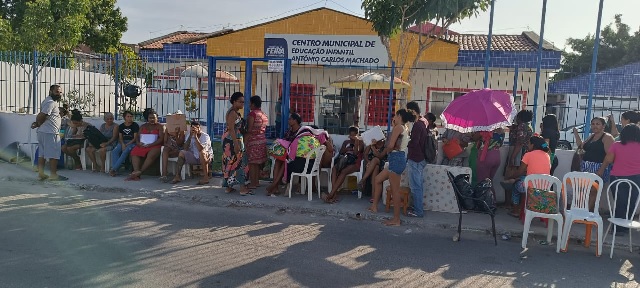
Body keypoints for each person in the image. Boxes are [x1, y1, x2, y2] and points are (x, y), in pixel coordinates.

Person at [367, 109, 414, 226]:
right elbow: (392, 145)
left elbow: (391, 145)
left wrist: (385, 147)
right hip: (397, 158)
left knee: (395, 191)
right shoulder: (404, 127)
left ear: (399, 116)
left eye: (395, 116)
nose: (393, 117)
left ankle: (396, 219)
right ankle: (374, 206)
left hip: (396, 159)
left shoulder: (398, 128)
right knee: (378, 180)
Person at [597, 124, 640, 235]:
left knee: (620, 202)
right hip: (636, 178)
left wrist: (601, 170)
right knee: (632, 203)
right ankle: (625, 227)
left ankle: (617, 228)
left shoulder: (616, 145)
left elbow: (609, 160)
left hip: (617, 177)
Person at [506, 135, 551, 217]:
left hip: (531, 188)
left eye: (529, 143)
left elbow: (519, 172)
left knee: (515, 185)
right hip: (544, 188)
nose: (528, 145)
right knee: (522, 179)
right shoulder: (547, 155)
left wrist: (510, 177)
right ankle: (521, 208)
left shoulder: (528, 155)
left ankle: (516, 210)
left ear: (533, 145)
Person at [31, 84, 65, 181]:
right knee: (53, 155)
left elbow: (47, 116)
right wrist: (38, 122)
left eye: (60, 92)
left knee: (42, 154)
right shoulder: (51, 102)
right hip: (50, 132)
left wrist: (38, 124)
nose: (59, 94)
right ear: (51, 92)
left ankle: (41, 175)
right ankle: (53, 175)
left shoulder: (49, 101)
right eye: (57, 92)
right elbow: (41, 115)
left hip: (44, 131)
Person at [322, 126, 364, 204]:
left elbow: (355, 153)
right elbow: (341, 152)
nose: (351, 137)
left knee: (343, 172)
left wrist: (356, 141)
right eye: (350, 135)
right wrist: (346, 149)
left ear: (357, 135)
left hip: (355, 162)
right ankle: (334, 194)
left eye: (353, 135)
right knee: (334, 169)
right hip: (345, 161)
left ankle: (331, 194)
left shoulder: (360, 142)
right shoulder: (346, 142)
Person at [266, 113, 302, 196]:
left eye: (290, 119)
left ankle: (274, 185)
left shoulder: (300, 132)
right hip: (286, 153)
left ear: (295, 121)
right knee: (278, 161)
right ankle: (275, 187)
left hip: (295, 155)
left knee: (284, 162)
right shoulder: (289, 130)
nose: (288, 121)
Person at [222, 92, 251, 195]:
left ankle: (229, 187)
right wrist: (236, 144)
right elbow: (231, 129)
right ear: (234, 102)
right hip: (233, 141)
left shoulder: (234, 112)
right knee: (240, 163)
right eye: (240, 102)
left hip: (233, 140)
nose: (242, 104)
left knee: (231, 163)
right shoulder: (232, 113)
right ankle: (243, 188)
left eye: (243, 102)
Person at [574, 116, 615, 183]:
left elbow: (609, 156)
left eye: (597, 124)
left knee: (594, 191)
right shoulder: (592, 136)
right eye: (593, 124)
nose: (594, 126)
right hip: (586, 167)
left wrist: (601, 170)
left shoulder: (607, 137)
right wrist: (575, 133)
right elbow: (581, 146)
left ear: (603, 126)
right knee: (584, 190)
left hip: (598, 168)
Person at [405, 101, 429, 218]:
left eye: (408, 111)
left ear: (413, 111)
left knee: (416, 186)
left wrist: (405, 143)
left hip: (416, 158)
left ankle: (418, 211)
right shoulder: (424, 121)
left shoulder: (418, 125)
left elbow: (414, 142)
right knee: (417, 185)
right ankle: (417, 207)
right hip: (421, 157)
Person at [127, 109, 164, 181]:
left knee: (152, 154)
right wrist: (138, 143)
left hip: (155, 145)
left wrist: (151, 144)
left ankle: (139, 172)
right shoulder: (143, 126)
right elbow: (137, 137)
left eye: (154, 118)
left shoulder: (160, 126)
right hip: (143, 145)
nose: (152, 119)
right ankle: (136, 171)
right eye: (150, 118)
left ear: (157, 118)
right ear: (147, 118)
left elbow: (161, 139)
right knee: (134, 152)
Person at [246, 95, 269, 189]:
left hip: (253, 140)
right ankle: (257, 182)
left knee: (252, 163)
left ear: (253, 104)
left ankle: (253, 183)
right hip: (262, 140)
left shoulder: (252, 114)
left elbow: (249, 129)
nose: (249, 105)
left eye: (250, 103)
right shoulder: (263, 114)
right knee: (257, 163)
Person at [109, 111, 139, 176]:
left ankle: (113, 169)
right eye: (128, 116)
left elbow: (134, 138)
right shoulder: (121, 126)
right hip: (123, 142)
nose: (130, 118)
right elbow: (120, 137)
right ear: (124, 117)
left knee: (125, 151)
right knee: (115, 151)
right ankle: (116, 170)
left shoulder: (135, 125)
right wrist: (122, 144)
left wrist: (127, 145)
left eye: (131, 116)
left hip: (131, 143)